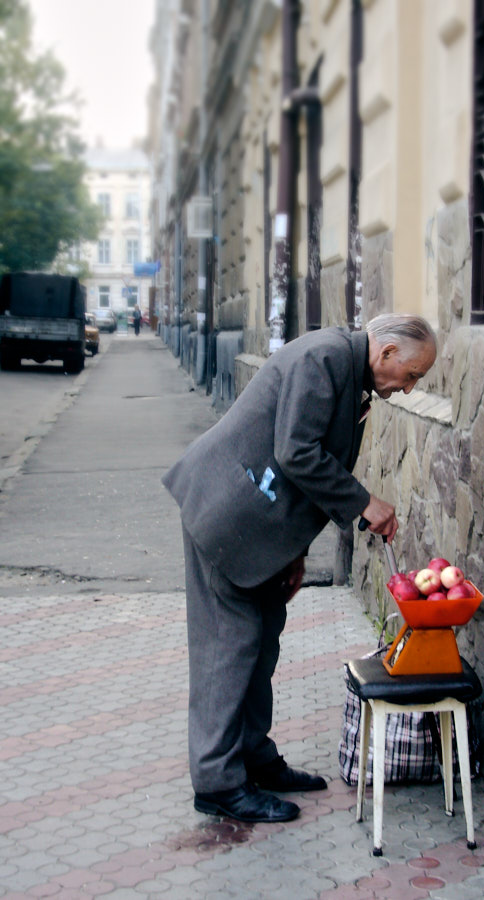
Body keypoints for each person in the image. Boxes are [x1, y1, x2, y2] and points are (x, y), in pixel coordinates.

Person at [162, 313, 437, 824]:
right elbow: (297, 452)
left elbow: (297, 461)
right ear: (389, 354)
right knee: (230, 646)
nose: (409, 388)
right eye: (413, 375)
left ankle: (253, 758)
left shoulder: (349, 371)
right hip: (226, 515)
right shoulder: (326, 357)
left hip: (256, 525)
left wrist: (294, 553)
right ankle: (218, 783)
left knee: (262, 640)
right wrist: (363, 503)